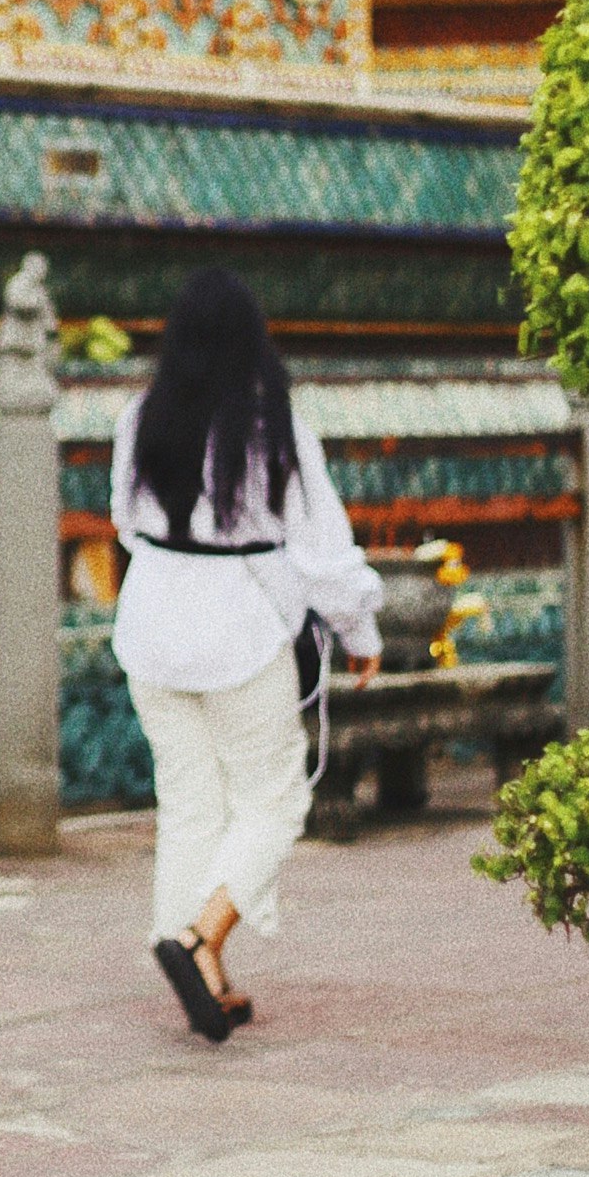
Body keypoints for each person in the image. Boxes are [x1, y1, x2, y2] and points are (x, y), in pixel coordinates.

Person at [111, 267, 382, 1043]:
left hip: (153, 624)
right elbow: (323, 550)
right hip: (237, 629)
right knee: (274, 800)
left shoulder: (141, 416)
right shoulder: (274, 427)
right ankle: (201, 939)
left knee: (190, 802)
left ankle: (198, 959)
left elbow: (126, 524)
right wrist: (359, 632)